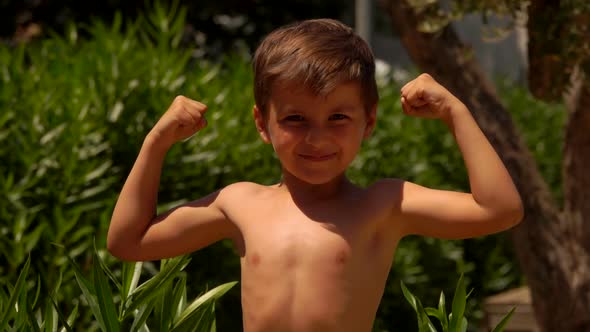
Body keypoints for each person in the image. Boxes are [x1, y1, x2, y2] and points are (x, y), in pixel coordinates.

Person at [107, 18, 524, 332]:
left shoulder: (382, 206)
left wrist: (456, 112)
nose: (317, 137)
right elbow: (129, 242)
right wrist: (156, 142)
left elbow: (500, 210)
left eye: (338, 116)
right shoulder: (239, 204)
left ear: (369, 121)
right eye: (295, 118)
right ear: (262, 124)